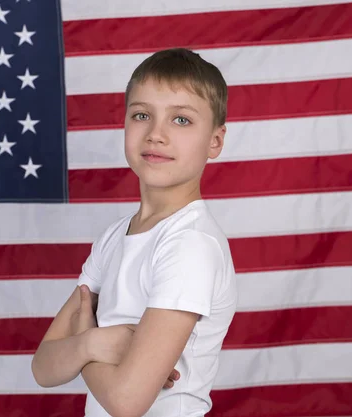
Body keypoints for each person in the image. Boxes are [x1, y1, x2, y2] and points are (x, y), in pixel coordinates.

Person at [31, 48, 238, 417]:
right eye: (142, 115)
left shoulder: (189, 244)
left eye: (182, 120)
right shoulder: (114, 237)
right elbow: (43, 367)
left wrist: (82, 343)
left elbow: (127, 402)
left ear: (215, 141)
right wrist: (94, 343)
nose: (156, 134)